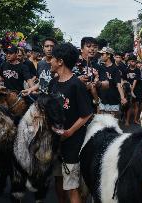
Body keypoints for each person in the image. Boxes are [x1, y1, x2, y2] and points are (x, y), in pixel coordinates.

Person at [49, 43, 94, 203]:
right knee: (58, 180)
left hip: (72, 144)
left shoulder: (76, 85)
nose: (50, 61)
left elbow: (87, 114)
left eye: (52, 58)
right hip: (55, 143)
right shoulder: (53, 83)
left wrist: (70, 132)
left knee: (72, 186)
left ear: (60, 61)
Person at [98, 47, 127, 116]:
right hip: (103, 99)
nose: (101, 56)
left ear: (108, 55)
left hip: (113, 99)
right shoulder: (100, 68)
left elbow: (118, 84)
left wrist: (122, 98)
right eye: (101, 54)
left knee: (112, 123)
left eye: (103, 54)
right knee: (103, 123)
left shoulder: (115, 69)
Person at [124, 54, 141, 126]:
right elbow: (124, 79)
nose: (132, 63)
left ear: (136, 62)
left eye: (134, 61)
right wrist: (128, 86)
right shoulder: (126, 70)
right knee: (129, 105)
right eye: (131, 61)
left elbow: (135, 80)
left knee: (136, 105)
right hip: (127, 89)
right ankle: (127, 121)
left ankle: (135, 120)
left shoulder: (137, 70)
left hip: (136, 89)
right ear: (129, 62)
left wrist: (132, 89)